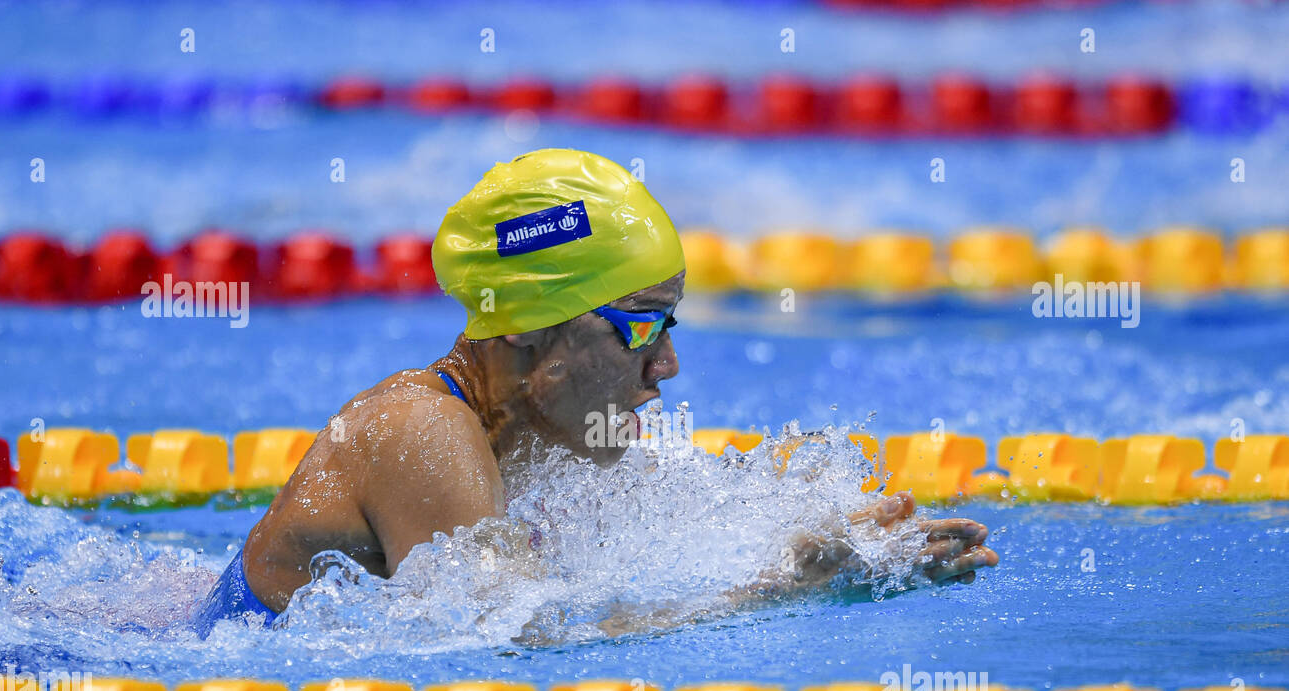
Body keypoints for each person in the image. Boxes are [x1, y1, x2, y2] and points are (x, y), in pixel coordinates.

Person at [194, 148, 997, 632]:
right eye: (641, 326)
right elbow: (510, 646)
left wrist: (818, 541)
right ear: (524, 325)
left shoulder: (538, 437)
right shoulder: (421, 431)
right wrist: (783, 592)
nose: (667, 365)